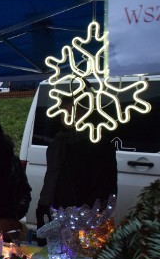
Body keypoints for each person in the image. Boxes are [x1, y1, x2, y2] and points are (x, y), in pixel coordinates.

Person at [35, 100, 117, 243]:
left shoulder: (99, 145)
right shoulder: (57, 143)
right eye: (64, 112)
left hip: (81, 221)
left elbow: (105, 189)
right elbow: (50, 181)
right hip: (52, 214)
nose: (69, 116)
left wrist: (84, 217)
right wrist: (43, 211)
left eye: (74, 111)